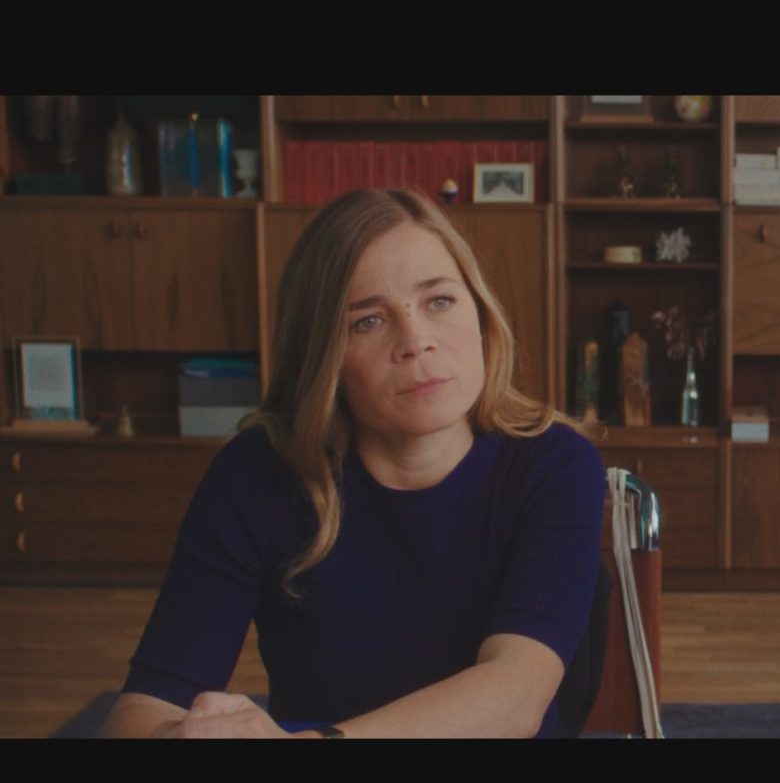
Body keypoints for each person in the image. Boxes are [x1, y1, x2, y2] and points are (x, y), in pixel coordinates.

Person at [103, 188, 604, 738]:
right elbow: (141, 711)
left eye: (439, 301)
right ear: (324, 357)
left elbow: (515, 697)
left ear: (481, 316)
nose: (416, 342)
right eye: (367, 321)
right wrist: (180, 736)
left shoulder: (555, 464)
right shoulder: (257, 474)